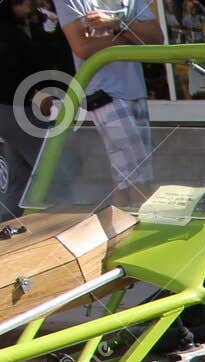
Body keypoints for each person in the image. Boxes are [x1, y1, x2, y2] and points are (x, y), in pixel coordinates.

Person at [56, 0, 162, 200]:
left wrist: (117, 24)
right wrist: (130, 37)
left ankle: (122, 228)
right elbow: (82, 46)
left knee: (128, 177)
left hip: (135, 89)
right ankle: (146, 226)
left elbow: (156, 37)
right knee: (139, 177)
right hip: (103, 93)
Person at [0, 0, 74, 217]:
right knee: (53, 170)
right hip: (15, 109)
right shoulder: (9, 34)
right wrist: (34, 94)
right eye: (26, 4)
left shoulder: (17, 30)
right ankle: (64, 221)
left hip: (11, 109)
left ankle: (7, 224)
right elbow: (31, 64)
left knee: (20, 178)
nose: (31, 8)